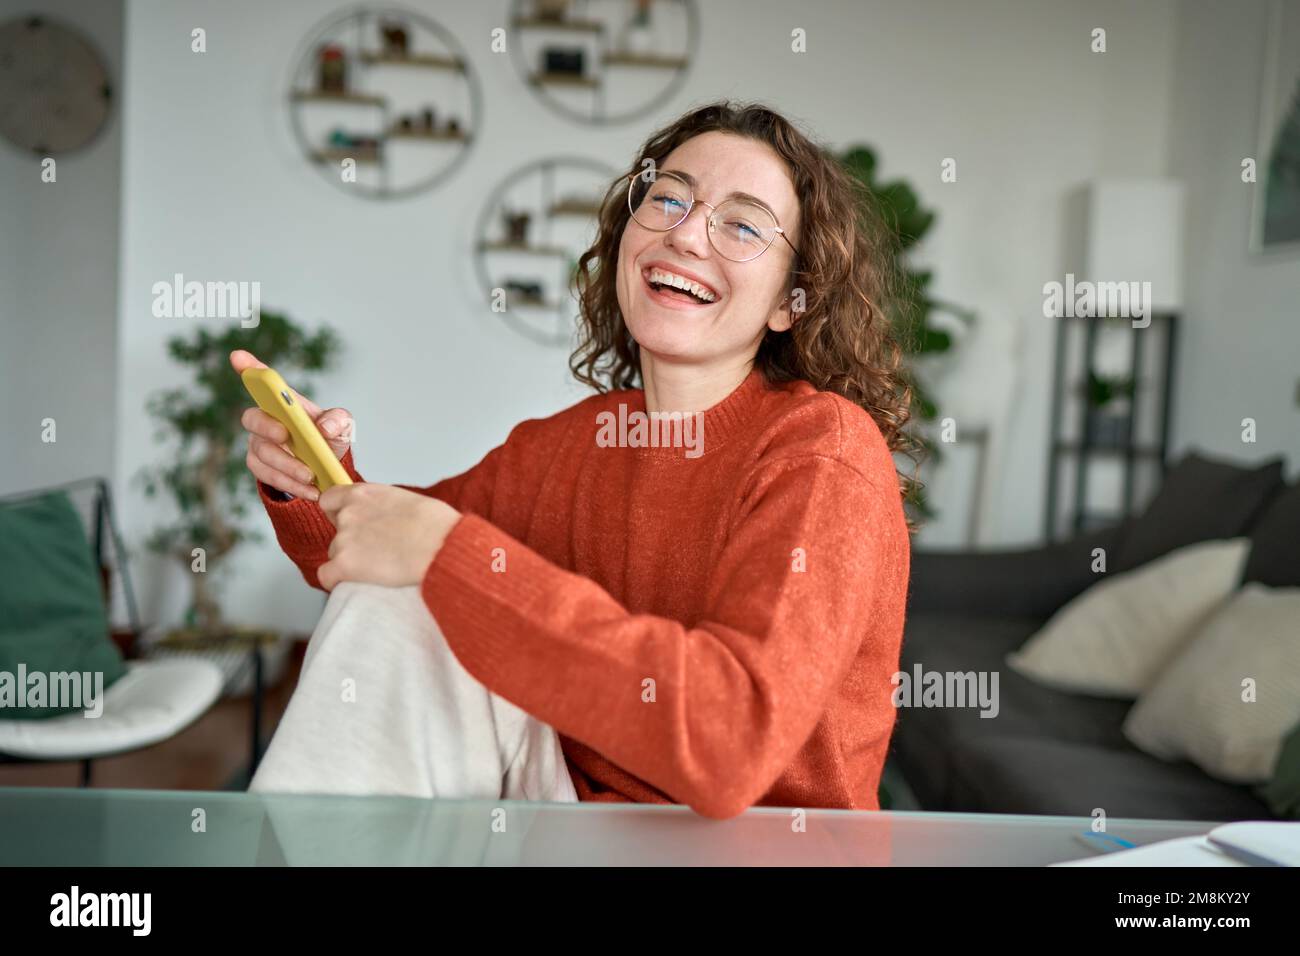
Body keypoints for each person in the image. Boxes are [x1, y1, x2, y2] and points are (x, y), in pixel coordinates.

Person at [233, 100, 920, 820]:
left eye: (743, 225)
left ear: (790, 301)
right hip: (575, 823)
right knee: (390, 599)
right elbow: (376, 566)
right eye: (668, 198)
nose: (686, 233)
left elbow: (733, 741)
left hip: (758, 845)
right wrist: (313, 481)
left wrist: (448, 556)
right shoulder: (569, 445)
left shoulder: (822, 452)